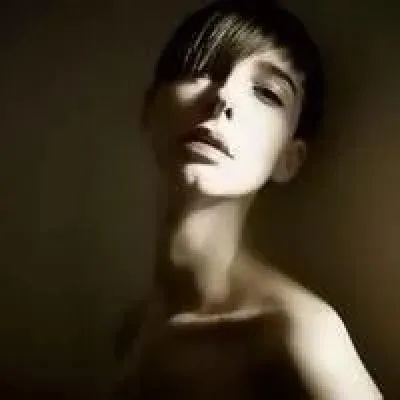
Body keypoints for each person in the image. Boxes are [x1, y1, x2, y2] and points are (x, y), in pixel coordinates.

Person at [113, 0, 383, 398]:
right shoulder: (132, 330)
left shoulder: (295, 334)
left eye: (268, 93)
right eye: (200, 68)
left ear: (289, 159)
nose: (223, 98)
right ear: (149, 108)